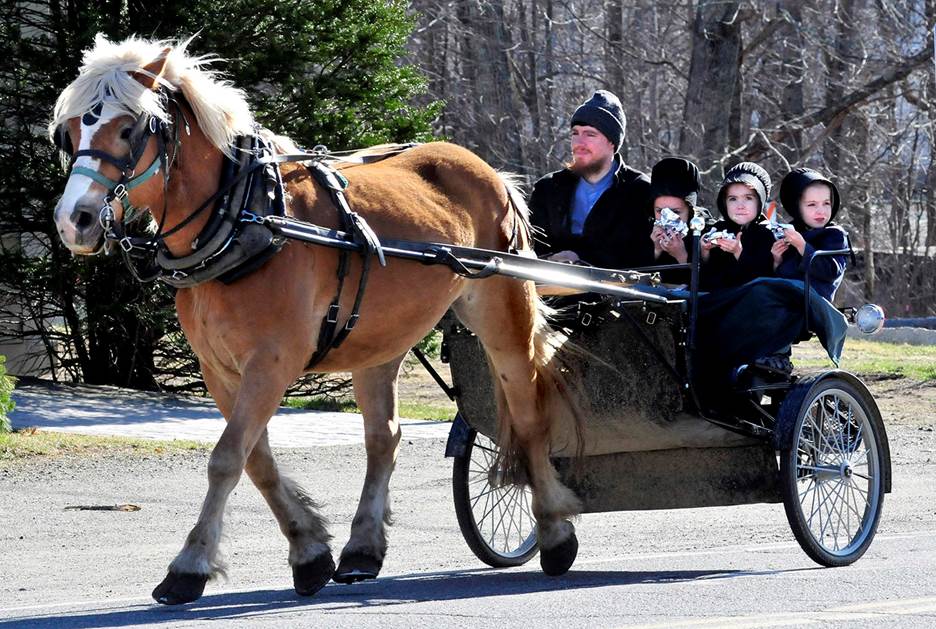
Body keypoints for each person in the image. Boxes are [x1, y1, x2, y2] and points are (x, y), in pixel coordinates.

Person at [529, 90, 652, 270]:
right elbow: (530, 247)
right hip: (550, 291)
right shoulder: (548, 188)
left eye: (590, 134)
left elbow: (640, 256)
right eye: (575, 133)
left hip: (615, 295)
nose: (579, 142)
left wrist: (581, 258)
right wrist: (551, 259)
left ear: (612, 142)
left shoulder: (639, 191)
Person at [772, 168, 849, 302]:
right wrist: (777, 261)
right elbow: (782, 275)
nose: (821, 211)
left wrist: (802, 246)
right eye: (812, 204)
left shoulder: (835, 235)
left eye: (826, 203)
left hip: (813, 304)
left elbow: (830, 272)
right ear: (798, 207)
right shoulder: (792, 232)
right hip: (782, 297)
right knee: (753, 291)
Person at [700, 162, 775, 291]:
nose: (740, 205)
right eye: (733, 199)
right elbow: (705, 279)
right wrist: (704, 252)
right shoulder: (716, 230)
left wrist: (738, 252)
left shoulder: (766, 235)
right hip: (714, 303)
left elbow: (764, 279)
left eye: (748, 198)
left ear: (760, 202)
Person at [647, 157, 704, 284]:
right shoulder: (643, 229)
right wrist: (655, 250)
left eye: (676, 212)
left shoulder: (704, 233)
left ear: (690, 210)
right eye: (660, 211)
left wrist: (682, 256)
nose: (667, 219)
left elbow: (710, 284)